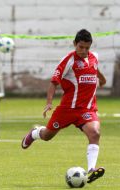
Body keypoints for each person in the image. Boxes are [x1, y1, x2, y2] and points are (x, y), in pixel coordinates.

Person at [21, 29, 106, 184]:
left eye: (87, 48)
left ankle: (91, 170)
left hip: (87, 109)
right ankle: (35, 133)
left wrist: (101, 78)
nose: (84, 51)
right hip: (67, 109)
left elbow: (95, 69)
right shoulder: (68, 61)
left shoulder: (94, 57)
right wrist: (49, 103)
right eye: (81, 47)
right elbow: (54, 81)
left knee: (95, 133)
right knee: (47, 136)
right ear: (75, 44)